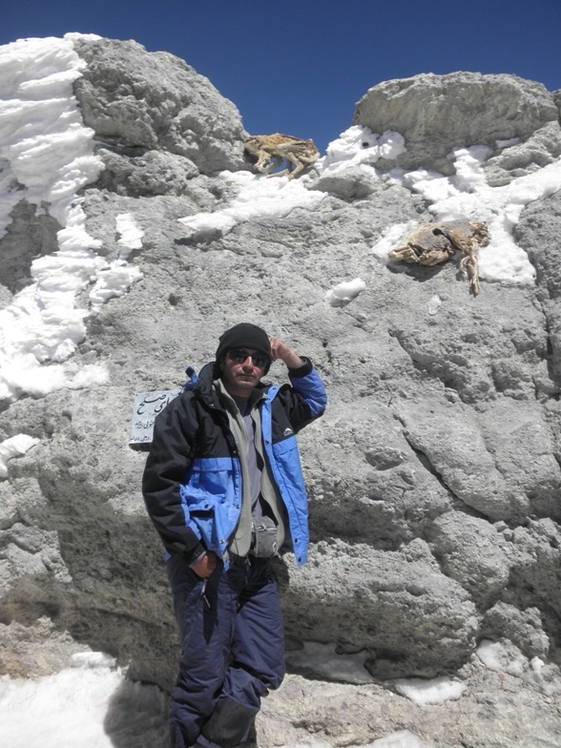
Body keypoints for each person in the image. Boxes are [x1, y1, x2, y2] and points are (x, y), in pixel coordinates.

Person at [142, 322, 327, 748]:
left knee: (263, 669)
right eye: (239, 357)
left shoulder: (273, 407)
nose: (249, 366)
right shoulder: (190, 409)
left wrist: (291, 358)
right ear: (222, 358)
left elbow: (316, 401)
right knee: (203, 678)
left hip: (257, 568)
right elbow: (159, 487)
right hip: (208, 567)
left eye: (258, 359)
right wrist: (191, 553)